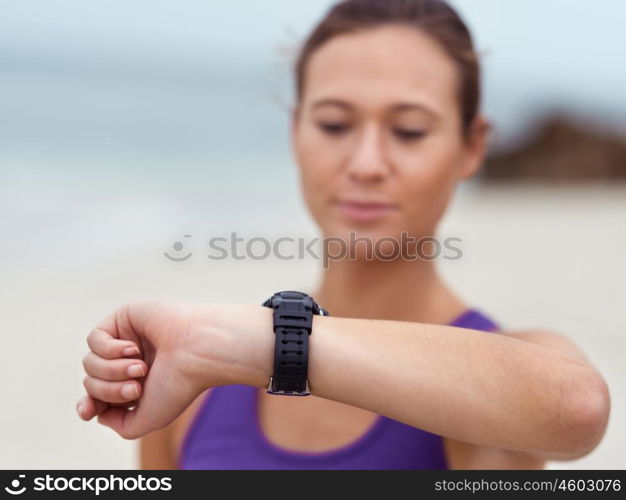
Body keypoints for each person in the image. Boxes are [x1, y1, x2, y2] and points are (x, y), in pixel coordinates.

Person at [76, 0, 610, 469]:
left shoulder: (496, 394)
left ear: (472, 146)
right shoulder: (193, 388)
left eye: (409, 131)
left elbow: (575, 407)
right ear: (295, 132)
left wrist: (261, 345)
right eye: (334, 124)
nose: (366, 162)